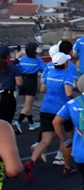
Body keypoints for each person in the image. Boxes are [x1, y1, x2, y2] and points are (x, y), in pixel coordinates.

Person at [26, 52, 75, 180]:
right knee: (66, 138)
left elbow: (42, 89)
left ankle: (31, 162)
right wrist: (74, 98)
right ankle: (67, 167)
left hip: (46, 109)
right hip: (62, 111)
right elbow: (68, 92)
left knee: (45, 140)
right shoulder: (67, 76)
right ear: (65, 63)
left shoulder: (49, 74)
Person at [14, 42, 45, 133]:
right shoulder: (38, 60)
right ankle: (18, 122)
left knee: (28, 104)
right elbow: (45, 69)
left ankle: (31, 123)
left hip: (22, 81)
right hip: (31, 82)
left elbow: (14, 67)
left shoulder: (22, 59)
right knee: (28, 105)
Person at [0, 45, 23, 126]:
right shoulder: (13, 68)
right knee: (6, 123)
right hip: (7, 96)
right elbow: (19, 83)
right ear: (8, 56)